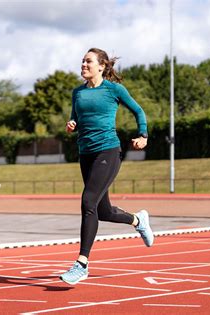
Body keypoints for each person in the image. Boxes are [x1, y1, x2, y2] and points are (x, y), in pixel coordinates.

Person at [59, 48, 154, 285]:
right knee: (103, 211)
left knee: (88, 202)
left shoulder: (114, 90)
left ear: (101, 66)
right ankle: (138, 220)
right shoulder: (77, 93)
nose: (83, 64)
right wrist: (72, 125)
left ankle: (81, 264)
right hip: (86, 154)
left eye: (88, 61)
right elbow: (76, 120)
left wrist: (143, 135)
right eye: (82, 60)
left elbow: (138, 110)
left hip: (109, 151)